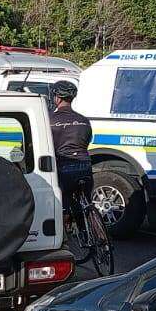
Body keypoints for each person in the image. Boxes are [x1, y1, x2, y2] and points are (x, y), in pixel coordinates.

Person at [48, 80, 93, 221]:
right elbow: (86, 142)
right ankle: (92, 229)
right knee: (85, 203)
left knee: (64, 205)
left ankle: (65, 235)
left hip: (65, 166)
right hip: (85, 165)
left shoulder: (49, 119)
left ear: (57, 97)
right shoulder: (84, 120)